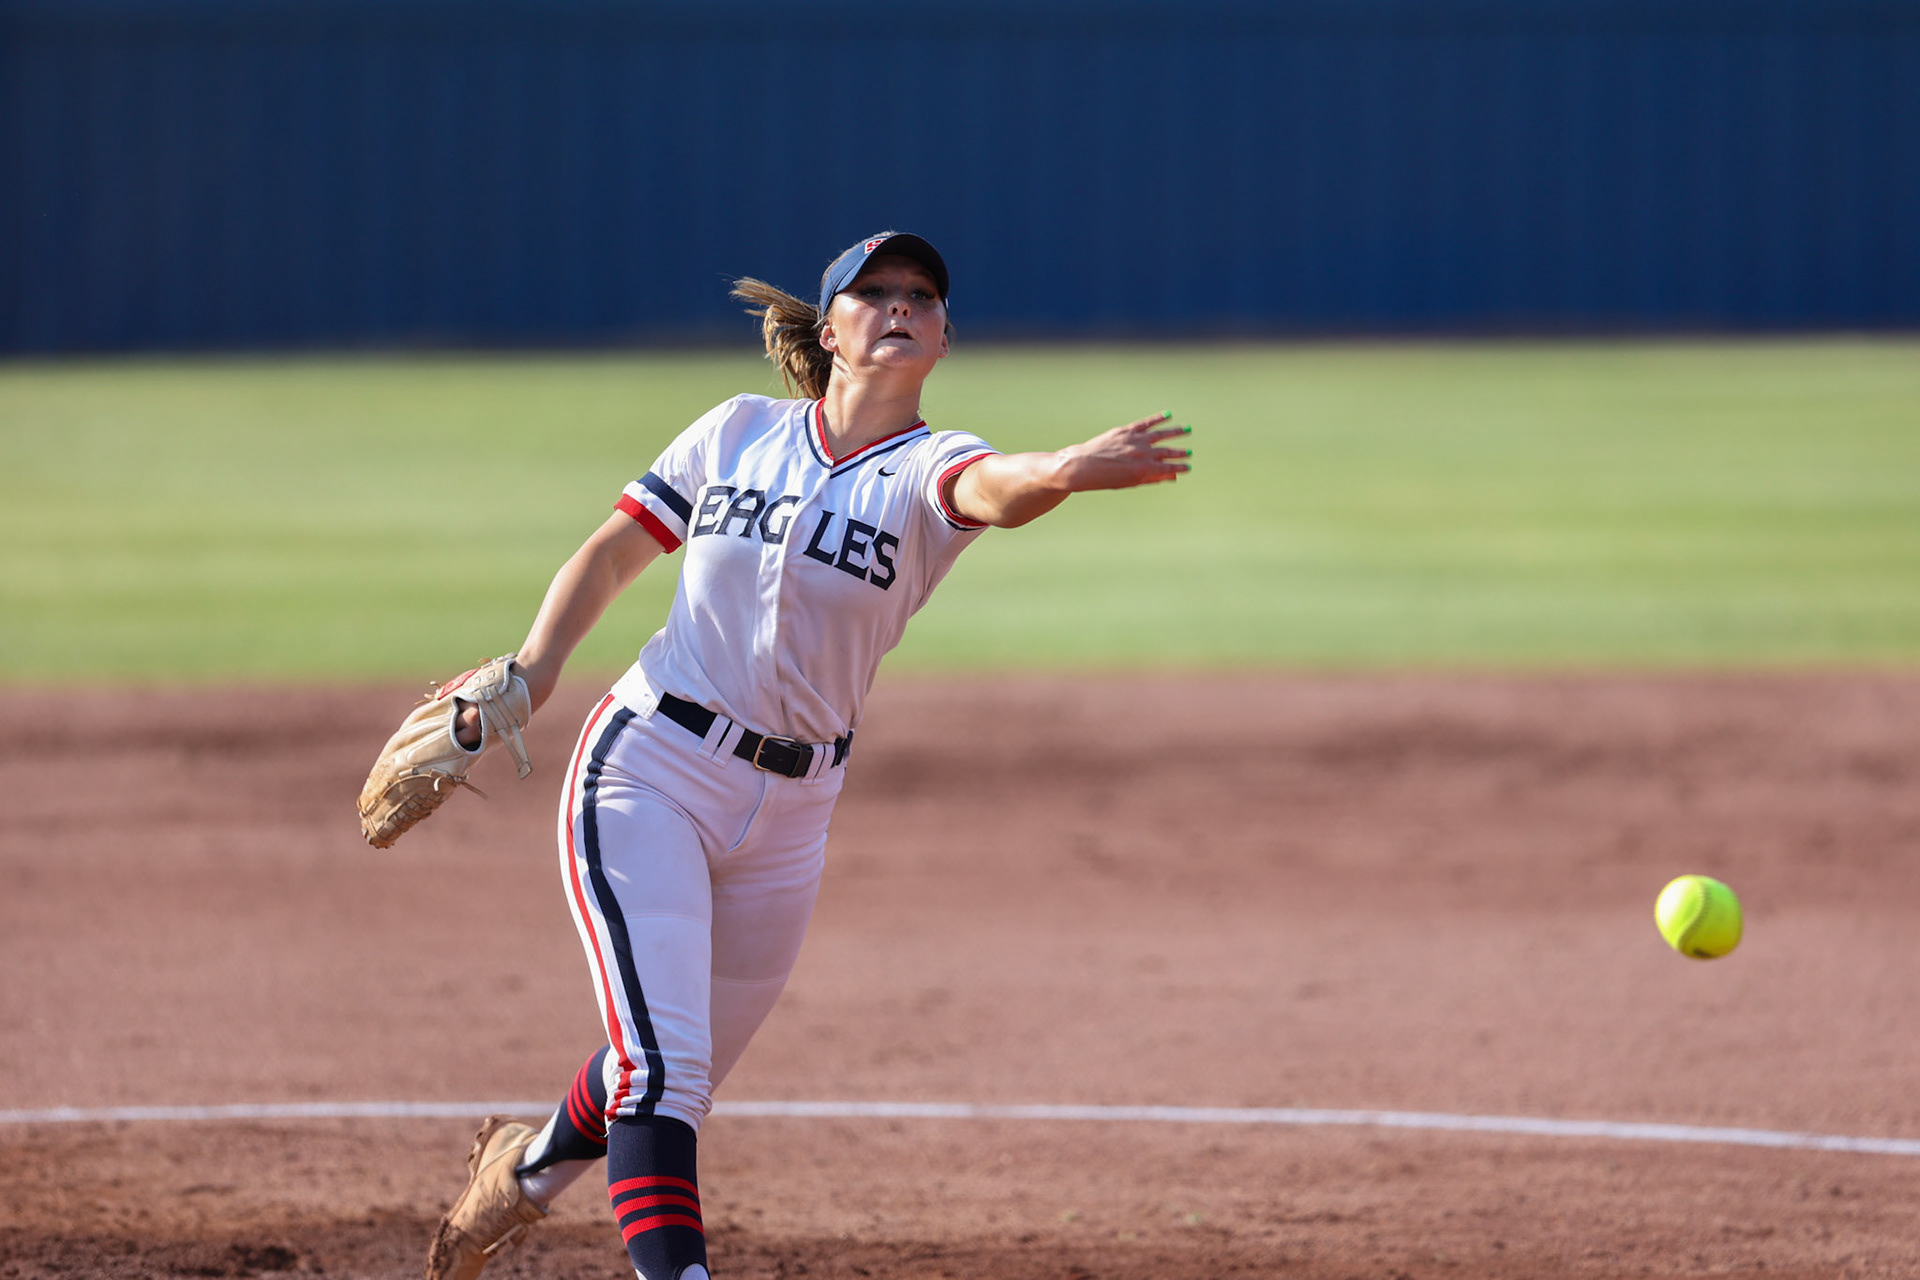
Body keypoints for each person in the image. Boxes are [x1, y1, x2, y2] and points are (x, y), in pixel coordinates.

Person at [423, 232, 1193, 1280]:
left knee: (665, 1058)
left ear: (944, 336)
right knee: (668, 1068)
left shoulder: (929, 466)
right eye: (874, 292)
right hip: (651, 765)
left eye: (922, 294)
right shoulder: (738, 431)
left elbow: (997, 488)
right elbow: (615, 548)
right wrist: (535, 663)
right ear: (828, 331)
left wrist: (1061, 468)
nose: (901, 304)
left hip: (793, 815)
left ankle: (518, 1178)